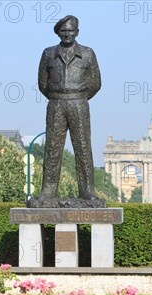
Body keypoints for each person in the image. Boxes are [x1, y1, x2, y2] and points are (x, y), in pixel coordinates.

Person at [37, 15, 102, 202]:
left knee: (82, 147)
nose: (67, 34)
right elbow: (42, 84)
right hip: (56, 103)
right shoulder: (48, 54)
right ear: (58, 32)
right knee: (52, 148)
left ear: (77, 32)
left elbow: (95, 83)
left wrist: (79, 97)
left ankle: (87, 191)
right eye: (63, 31)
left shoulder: (88, 53)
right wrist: (58, 95)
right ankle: (48, 191)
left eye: (70, 30)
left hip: (79, 103)